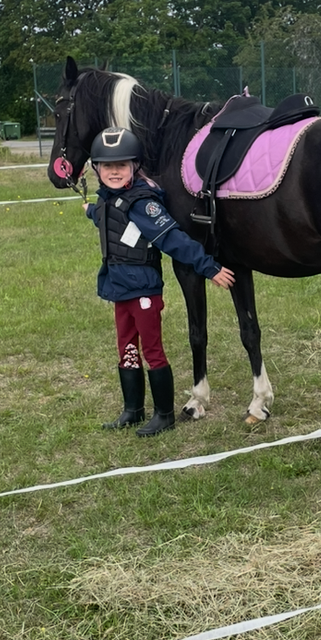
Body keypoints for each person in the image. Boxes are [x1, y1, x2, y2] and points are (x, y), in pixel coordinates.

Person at [86, 125, 234, 435]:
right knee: (126, 348)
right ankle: (133, 409)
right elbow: (106, 217)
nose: (114, 172)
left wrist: (210, 268)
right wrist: (89, 209)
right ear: (96, 169)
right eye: (107, 166)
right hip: (119, 289)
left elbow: (175, 240)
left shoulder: (144, 204)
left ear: (135, 166)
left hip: (143, 292)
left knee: (152, 350)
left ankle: (164, 414)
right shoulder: (107, 199)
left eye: (121, 165)